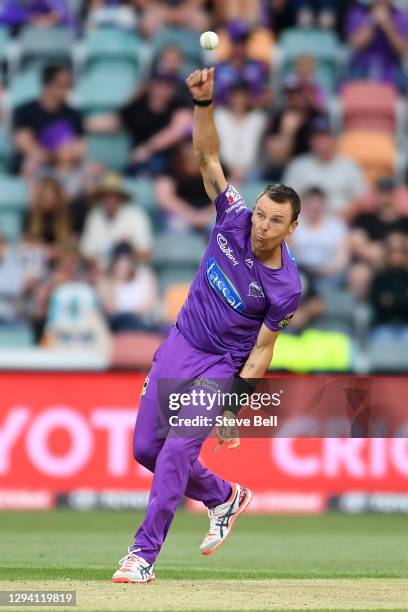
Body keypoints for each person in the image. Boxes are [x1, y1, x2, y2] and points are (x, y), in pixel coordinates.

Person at [112, 66, 302, 584]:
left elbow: (262, 351)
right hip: (181, 344)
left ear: (292, 228)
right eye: (262, 214)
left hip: (221, 366)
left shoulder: (286, 287)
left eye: (275, 221)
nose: (261, 226)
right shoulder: (233, 216)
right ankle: (225, 496)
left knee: (177, 448)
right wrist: (203, 105)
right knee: (146, 450)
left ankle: (142, 556)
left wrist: (236, 409)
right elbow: (207, 158)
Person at [283, 114, 367, 216]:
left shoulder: (350, 166)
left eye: (324, 135)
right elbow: (288, 200)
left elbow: (361, 199)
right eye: (315, 136)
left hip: (343, 223)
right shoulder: (297, 166)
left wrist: (340, 218)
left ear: (334, 138)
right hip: (306, 223)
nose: (319, 140)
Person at [13, 65, 85, 179]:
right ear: (47, 85)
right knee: (31, 164)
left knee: (92, 171)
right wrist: (56, 155)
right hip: (38, 165)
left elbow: (80, 147)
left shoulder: (73, 114)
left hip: (66, 165)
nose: (66, 90)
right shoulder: (25, 110)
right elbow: (24, 143)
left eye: (69, 85)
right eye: (62, 85)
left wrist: (64, 156)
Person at [80, 172, 153, 270]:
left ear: (121, 197)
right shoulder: (95, 216)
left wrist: (125, 250)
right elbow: (86, 253)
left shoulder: (136, 215)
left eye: (114, 196)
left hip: (132, 274)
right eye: (106, 196)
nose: (110, 200)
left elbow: (146, 253)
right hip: (101, 274)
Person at [289, 186, 349, 288]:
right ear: (303, 205)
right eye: (311, 206)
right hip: (300, 272)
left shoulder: (336, 225)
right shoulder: (293, 225)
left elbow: (342, 256)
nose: (314, 209)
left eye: (318, 207)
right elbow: (288, 252)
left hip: (330, 274)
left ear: (324, 205)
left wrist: (327, 270)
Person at [345, 0, 408, 92]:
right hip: (361, 67)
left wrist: (388, 25)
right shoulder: (358, 12)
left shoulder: (400, 15)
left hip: (391, 69)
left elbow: (403, 49)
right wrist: (372, 21)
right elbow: (355, 45)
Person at [97, 241, 158, 332]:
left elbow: (150, 305)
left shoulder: (145, 275)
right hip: (118, 324)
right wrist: (115, 280)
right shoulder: (107, 280)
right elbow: (110, 310)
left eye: (127, 261)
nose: (123, 265)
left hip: (140, 322)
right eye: (119, 261)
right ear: (114, 262)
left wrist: (133, 314)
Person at [214, 81, 267, 183]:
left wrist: (244, 171)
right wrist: (229, 169)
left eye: (242, 96)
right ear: (230, 97)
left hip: (252, 171)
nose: (239, 100)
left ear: (248, 98)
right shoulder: (219, 116)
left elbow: (260, 149)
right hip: (223, 169)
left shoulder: (259, 118)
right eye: (235, 96)